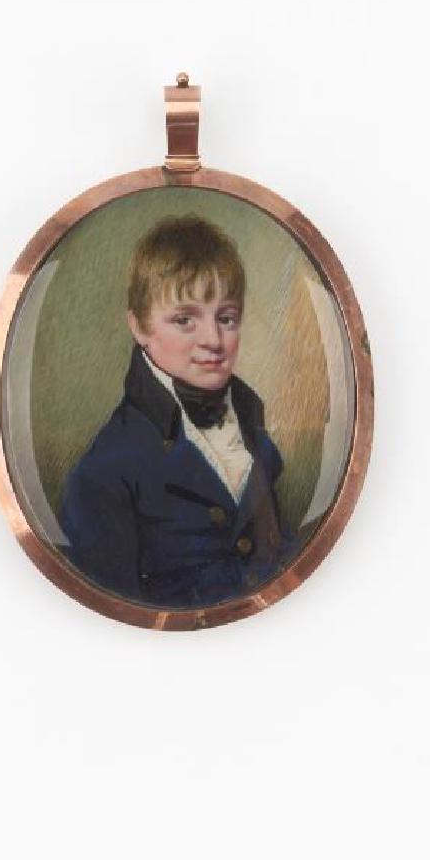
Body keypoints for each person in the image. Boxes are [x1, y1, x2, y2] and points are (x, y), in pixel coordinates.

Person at [60, 214, 294, 608]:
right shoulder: (103, 474)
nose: (213, 340)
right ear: (139, 327)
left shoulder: (250, 425)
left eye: (227, 318)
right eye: (184, 320)